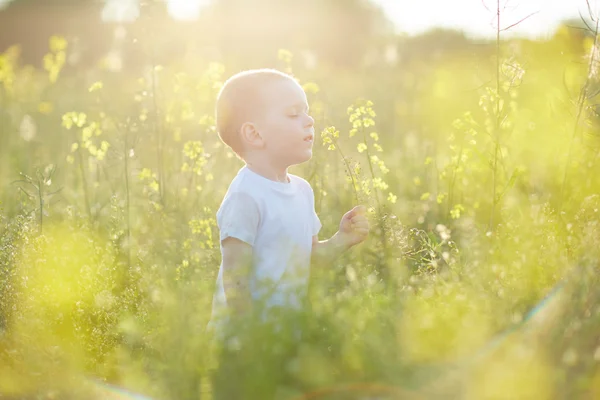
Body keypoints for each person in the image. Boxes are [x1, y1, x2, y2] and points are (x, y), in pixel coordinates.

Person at [207, 67, 369, 399]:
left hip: (287, 337)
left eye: (307, 113)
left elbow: (308, 259)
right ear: (254, 135)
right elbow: (236, 280)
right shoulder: (245, 196)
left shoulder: (302, 191)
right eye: (294, 114)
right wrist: (250, 339)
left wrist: (342, 240)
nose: (309, 121)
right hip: (243, 343)